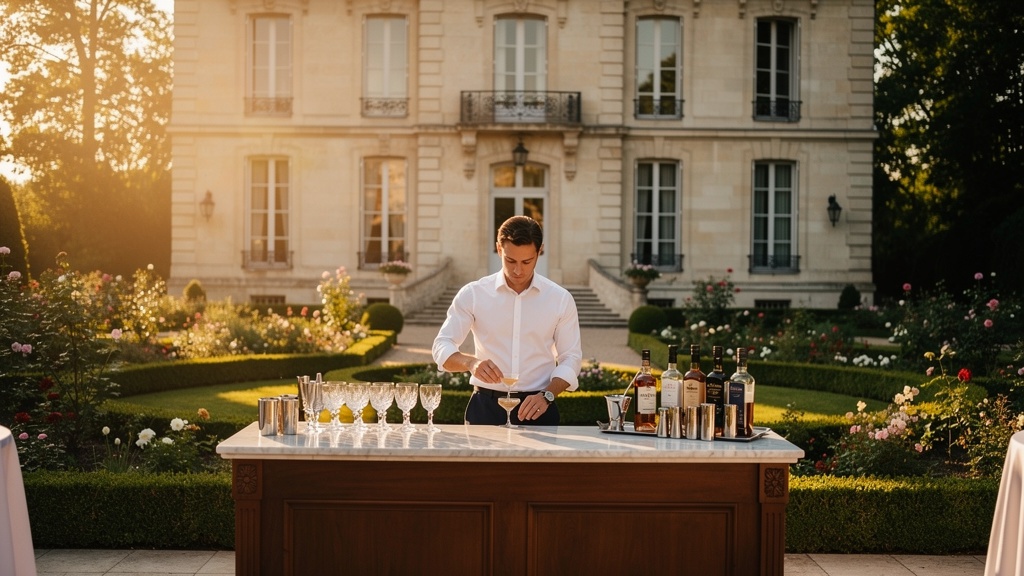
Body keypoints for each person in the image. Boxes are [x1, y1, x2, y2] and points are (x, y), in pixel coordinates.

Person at [432, 215, 583, 425]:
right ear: (499, 249)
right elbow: (441, 345)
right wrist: (471, 363)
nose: (518, 270)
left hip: (539, 407)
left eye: (527, 261)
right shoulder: (473, 294)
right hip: (484, 408)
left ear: (540, 251)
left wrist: (548, 395)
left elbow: (571, 357)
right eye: (510, 260)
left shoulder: (560, 299)